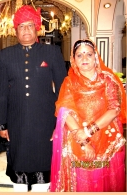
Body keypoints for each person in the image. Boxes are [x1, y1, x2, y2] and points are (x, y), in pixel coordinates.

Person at [0, 5, 67, 192]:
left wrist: (59, 123)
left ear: (37, 28)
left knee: (43, 176)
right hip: (16, 123)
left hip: (45, 123)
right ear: (15, 30)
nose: (26, 30)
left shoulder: (52, 53)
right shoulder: (5, 55)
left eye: (29, 25)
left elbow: (62, 90)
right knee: (18, 170)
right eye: (21, 26)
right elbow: (1, 92)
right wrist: (2, 124)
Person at [50, 39, 126, 192]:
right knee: (83, 181)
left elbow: (114, 109)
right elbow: (65, 111)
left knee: (105, 180)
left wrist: (87, 132)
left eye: (88, 54)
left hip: (106, 140)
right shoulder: (69, 82)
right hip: (78, 143)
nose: (84, 58)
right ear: (73, 59)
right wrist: (84, 142)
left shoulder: (108, 80)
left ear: (95, 57)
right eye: (79, 55)